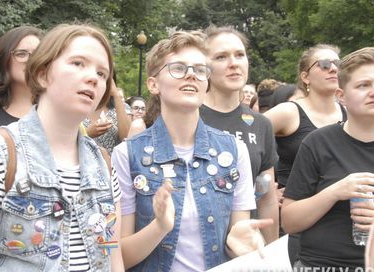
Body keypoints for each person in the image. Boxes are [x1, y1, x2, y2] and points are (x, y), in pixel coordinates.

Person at [112, 30, 271, 271]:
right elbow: (119, 258)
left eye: (199, 70)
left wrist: (236, 244)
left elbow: (236, 240)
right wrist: (160, 227)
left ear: (206, 83)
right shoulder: (127, 154)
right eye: (178, 68)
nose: (191, 75)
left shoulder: (234, 151)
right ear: (153, 84)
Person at [0, 23, 124, 271]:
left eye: (102, 74)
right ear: (42, 74)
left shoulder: (104, 164)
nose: (93, 78)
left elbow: (111, 254)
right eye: (78, 63)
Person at [281, 47, 374, 270]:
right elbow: (290, 222)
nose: (373, 92)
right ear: (341, 96)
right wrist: (334, 192)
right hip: (321, 265)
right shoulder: (318, 143)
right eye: (364, 85)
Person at [264, 44, 348, 266]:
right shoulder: (289, 111)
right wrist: (263, 186)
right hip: (299, 225)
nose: (333, 69)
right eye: (324, 64)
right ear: (305, 77)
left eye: (338, 64)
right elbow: (244, 138)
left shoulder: (351, 113)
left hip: (344, 226)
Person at [200, 25, 279, 244]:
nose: (233, 63)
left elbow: (266, 195)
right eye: (221, 57)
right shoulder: (188, 116)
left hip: (246, 247)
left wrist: (272, 256)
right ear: (204, 66)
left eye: (239, 55)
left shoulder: (261, 124)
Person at [0, 26, 42, 133]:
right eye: (21, 54)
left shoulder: (60, 111)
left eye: (38, 54)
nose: (31, 60)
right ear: (3, 60)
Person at [83, 78, 132, 154]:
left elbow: (126, 139)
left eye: (102, 75)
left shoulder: (122, 107)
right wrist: (87, 133)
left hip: (114, 163)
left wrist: (116, 95)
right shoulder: (77, 107)